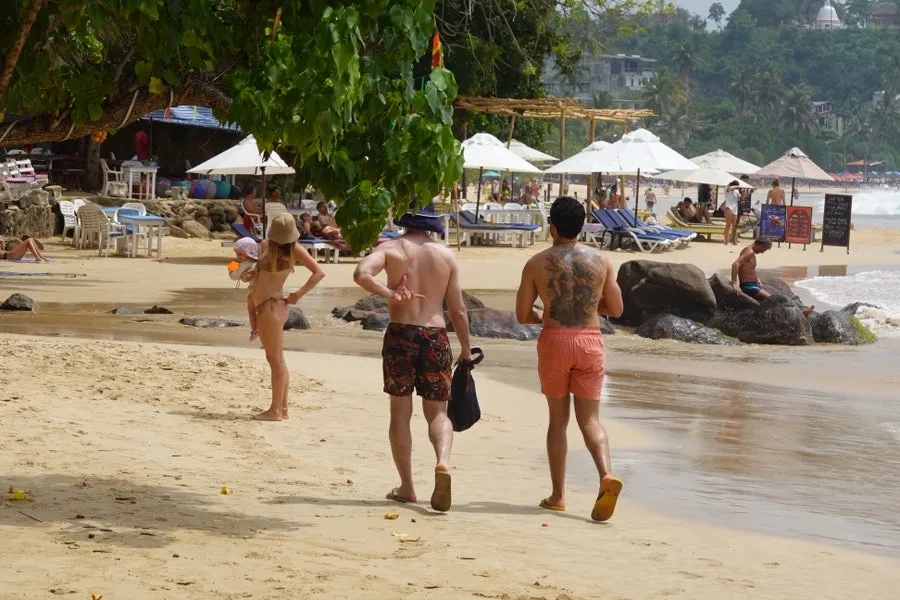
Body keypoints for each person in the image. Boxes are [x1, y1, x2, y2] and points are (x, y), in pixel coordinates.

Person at [353, 204, 472, 513]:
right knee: (438, 413)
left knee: (400, 413)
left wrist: (391, 294)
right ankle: (442, 462)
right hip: (435, 335)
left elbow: (361, 274)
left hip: (400, 334)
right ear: (432, 224)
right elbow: (458, 309)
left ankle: (407, 487)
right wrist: (466, 348)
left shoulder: (391, 248)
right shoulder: (446, 255)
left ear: (405, 221)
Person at [515, 196, 625, 522]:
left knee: (558, 420)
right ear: (581, 227)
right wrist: (588, 306)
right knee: (591, 420)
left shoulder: (536, 263)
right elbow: (617, 309)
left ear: (552, 227)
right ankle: (606, 474)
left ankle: (558, 496)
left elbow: (522, 314)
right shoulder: (601, 261)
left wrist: (548, 313)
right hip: (590, 341)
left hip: (555, 341)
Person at [251, 214, 326, 421]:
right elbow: (261, 277)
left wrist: (298, 294)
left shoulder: (291, 249)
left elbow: (319, 272)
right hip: (270, 306)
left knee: (275, 360)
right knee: (277, 359)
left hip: (271, 307)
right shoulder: (270, 246)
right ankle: (282, 408)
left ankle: (275, 410)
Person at [731, 239, 814, 315]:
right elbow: (736, 264)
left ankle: (800, 310)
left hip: (754, 284)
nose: (762, 252)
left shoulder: (750, 251)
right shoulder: (749, 252)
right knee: (773, 299)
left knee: (780, 297)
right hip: (749, 286)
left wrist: (757, 279)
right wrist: (734, 283)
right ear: (760, 244)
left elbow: (749, 268)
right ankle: (800, 313)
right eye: (764, 249)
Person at [228, 237, 261, 341]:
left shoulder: (245, 264)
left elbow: (235, 277)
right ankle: (260, 329)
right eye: (237, 253)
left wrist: (231, 270)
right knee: (260, 311)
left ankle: (255, 331)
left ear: (248, 252)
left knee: (251, 311)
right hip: (264, 290)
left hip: (254, 291)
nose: (238, 256)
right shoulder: (259, 262)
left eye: (241, 253)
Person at [722, 180, 740, 246]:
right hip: (728, 208)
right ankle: (726, 241)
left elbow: (738, 199)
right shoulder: (727, 189)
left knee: (734, 226)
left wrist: (743, 194)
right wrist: (737, 186)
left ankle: (733, 241)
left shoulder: (736, 191)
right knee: (728, 225)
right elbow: (730, 188)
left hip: (735, 208)